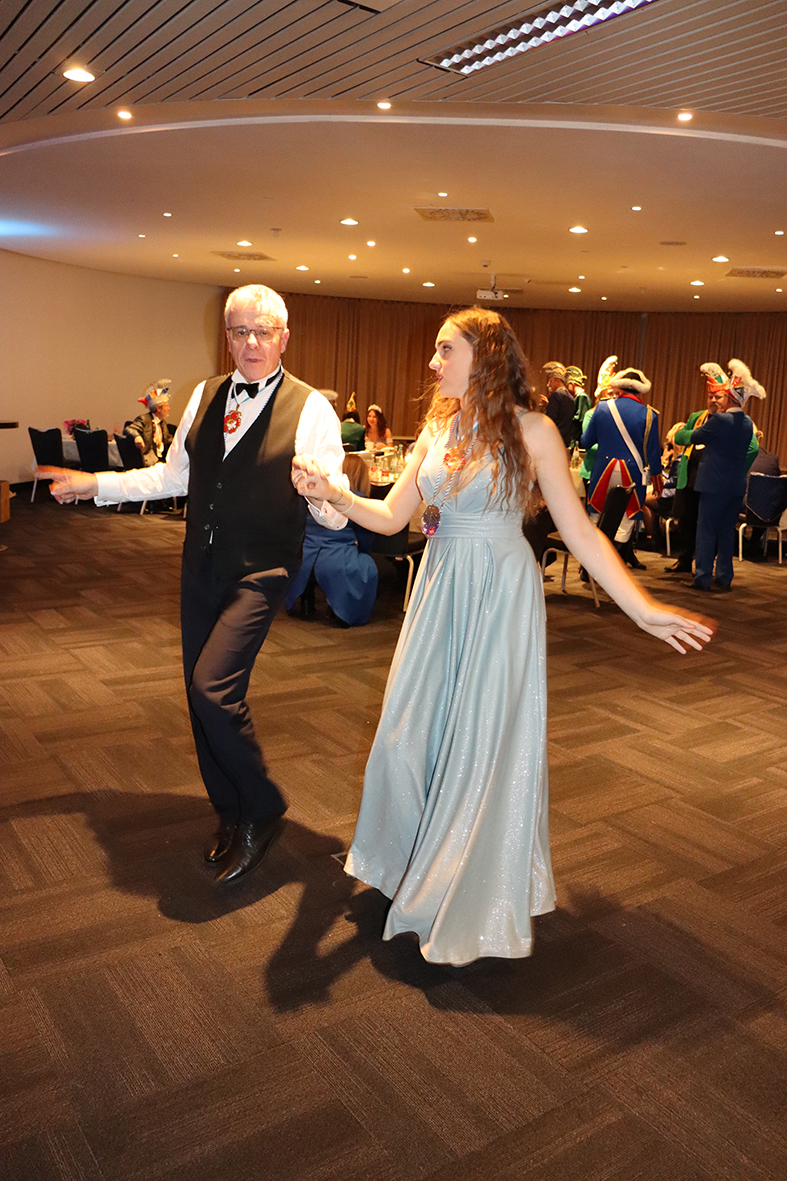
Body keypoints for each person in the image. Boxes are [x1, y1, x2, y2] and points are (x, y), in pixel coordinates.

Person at [292, 307, 712, 966]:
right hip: (439, 588)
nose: (433, 361)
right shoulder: (437, 428)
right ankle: (409, 862)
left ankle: (465, 889)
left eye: (445, 349)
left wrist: (641, 608)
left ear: (484, 356)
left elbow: (579, 531)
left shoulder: (533, 430)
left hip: (499, 590)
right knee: (406, 734)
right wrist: (334, 495)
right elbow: (392, 517)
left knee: (478, 741)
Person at [38, 284, 347, 884]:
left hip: (262, 569)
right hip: (201, 565)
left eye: (263, 331)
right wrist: (95, 485)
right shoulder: (206, 395)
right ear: (227, 337)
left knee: (213, 690)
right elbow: (171, 476)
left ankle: (263, 806)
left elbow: (334, 514)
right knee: (196, 695)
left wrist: (321, 493)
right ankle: (231, 814)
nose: (251, 343)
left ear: (284, 338)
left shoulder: (312, 410)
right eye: (240, 331)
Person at [684, 358, 763, 592]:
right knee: (727, 532)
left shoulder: (720, 419)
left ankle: (702, 577)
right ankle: (725, 576)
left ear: (729, 398)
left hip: (713, 484)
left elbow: (696, 437)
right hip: (735, 485)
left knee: (706, 530)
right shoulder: (747, 423)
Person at [582, 366, 662, 569]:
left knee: (596, 516)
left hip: (603, 471)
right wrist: (657, 480)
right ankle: (612, 567)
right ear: (640, 390)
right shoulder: (650, 415)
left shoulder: (602, 408)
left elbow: (586, 441)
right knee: (626, 520)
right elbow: (653, 453)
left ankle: (589, 566)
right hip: (633, 472)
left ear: (620, 388)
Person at [285, 453, 378, 626]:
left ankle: (306, 602)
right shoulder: (358, 501)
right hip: (337, 557)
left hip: (305, 556)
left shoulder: (309, 496)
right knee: (366, 564)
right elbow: (366, 540)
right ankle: (341, 609)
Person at [125, 379, 173, 466]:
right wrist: (137, 437)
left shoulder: (163, 423)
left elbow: (168, 440)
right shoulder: (144, 419)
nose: (169, 409)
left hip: (162, 461)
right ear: (158, 409)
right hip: (149, 462)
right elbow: (129, 429)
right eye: (166, 406)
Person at [541, 362, 574, 449]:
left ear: (557, 381)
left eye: (551, 381)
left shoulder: (555, 395)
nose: (548, 385)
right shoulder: (570, 397)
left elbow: (550, 419)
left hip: (554, 439)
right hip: (565, 440)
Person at [565, 365, 591, 449]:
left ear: (572, 384)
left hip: (578, 439)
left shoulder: (582, 397)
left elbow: (580, 419)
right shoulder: (577, 397)